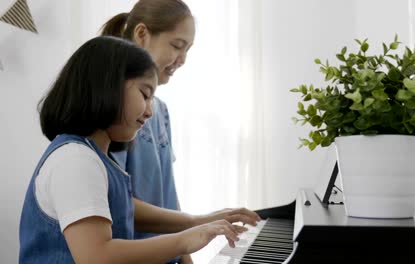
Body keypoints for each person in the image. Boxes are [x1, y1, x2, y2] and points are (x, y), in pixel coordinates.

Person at [19, 36, 248, 264]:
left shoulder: (95, 159)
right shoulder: (75, 160)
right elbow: (96, 257)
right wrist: (185, 240)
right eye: (145, 95)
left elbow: (127, 214)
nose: (149, 112)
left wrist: (198, 222)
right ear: (107, 86)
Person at [101, 1, 261, 263]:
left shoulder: (159, 111)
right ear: (142, 34)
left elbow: (168, 199)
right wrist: (201, 222)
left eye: (188, 49)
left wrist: (186, 256)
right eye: (177, 46)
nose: (183, 60)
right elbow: (114, 201)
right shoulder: (111, 107)